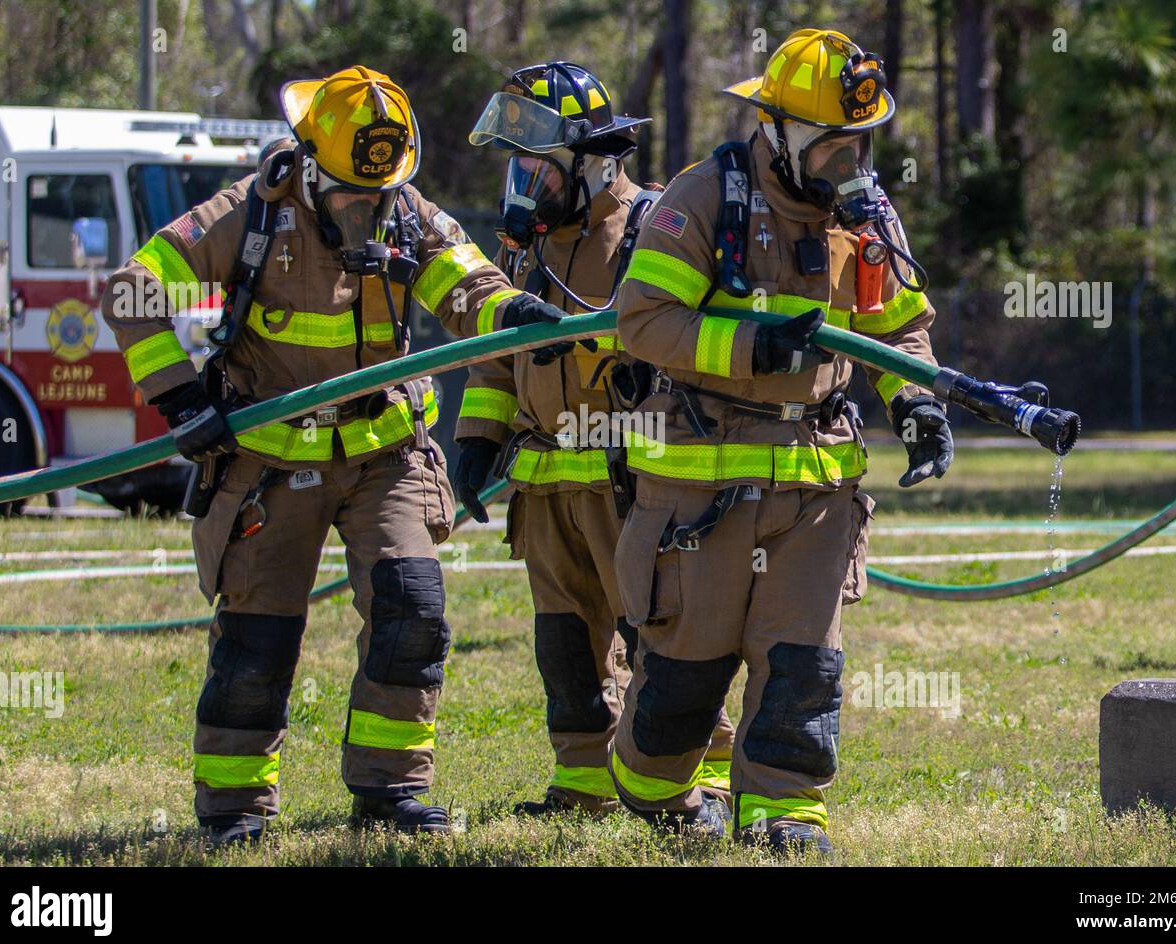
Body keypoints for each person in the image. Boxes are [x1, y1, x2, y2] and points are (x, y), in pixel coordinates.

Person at [102, 66, 523, 845]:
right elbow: (132, 289)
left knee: (413, 612)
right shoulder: (250, 214)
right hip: (271, 461)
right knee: (258, 640)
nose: (369, 215)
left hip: (383, 453)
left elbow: (468, 286)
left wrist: (513, 309)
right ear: (309, 167)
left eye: (380, 198)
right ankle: (233, 809)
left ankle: (391, 790)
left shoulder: (403, 209)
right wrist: (181, 400)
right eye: (351, 200)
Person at [607, 29, 955, 853]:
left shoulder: (866, 216)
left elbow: (898, 328)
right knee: (685, 686)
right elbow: (641, 322)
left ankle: (786, 816)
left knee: (803, 665)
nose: (850, 161)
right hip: (700, 490)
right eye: (832, 144)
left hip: (816, 487)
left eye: (860, 142)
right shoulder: (701, 200)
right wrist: (752, 348)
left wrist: (916, 405)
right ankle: (650, 780)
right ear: (777, 130)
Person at [452, 62, 737, 817]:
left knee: (661, 638)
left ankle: (701, 775)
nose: (520, 182)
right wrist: (478, 436)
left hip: (632, 478)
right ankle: (581, 780)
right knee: (566, 644)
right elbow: (496, 361)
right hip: (545, 485)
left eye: (534, 167)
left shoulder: (652, 229)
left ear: (590, 160)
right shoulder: (528, 248)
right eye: (514, 165)